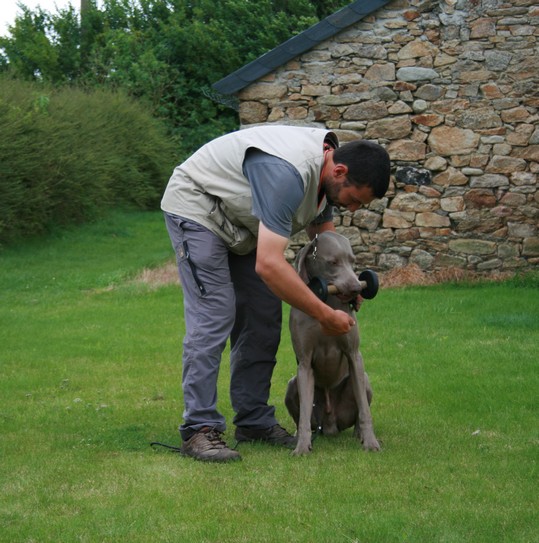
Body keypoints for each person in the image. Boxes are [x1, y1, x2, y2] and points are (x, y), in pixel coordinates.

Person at [161, 124, 390, 462]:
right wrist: (323, 314)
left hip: (240, 225)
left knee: (264, 313)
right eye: (354, 199)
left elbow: (323, 242)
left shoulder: (326, 175)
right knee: (216, 312)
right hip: (198, 207)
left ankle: (253, 421)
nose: (352, 208)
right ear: (339, 171)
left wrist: (344, 285)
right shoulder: (288, 173)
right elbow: (269, 264)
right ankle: (199, 429)